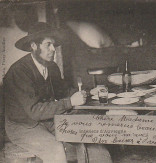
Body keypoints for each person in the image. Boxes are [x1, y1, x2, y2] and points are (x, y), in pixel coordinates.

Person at [4, 22, 112, 163]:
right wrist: (70, 102)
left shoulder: (51, 67)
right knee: (56, 151)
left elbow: (64, 91)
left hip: (47, 119)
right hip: (23, 125)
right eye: (48, 44)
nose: (53, 49)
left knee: (93, 142)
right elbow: (35, 111)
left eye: (54, 45)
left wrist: (90, 92)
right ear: (34, 46)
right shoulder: (19, 71)